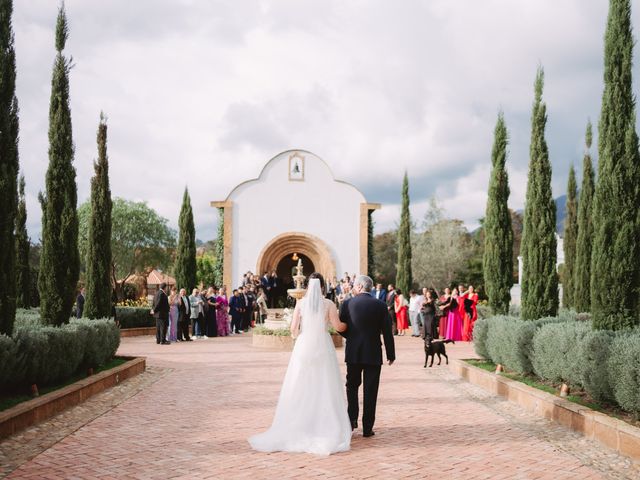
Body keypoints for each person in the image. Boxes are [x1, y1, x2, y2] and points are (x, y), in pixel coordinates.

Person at [249, 273, 350, 455]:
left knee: (300, 384)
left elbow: (293, 328)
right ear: (321, 287)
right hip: (322, 344)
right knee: (324, 384)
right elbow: (337, 326)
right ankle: (323, 424)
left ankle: (299, 423)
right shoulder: (328, 304)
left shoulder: (301, 304)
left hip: (304, 346)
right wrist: (348, 325)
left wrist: (298, 337)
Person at [340, 275, 395, 438]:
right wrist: (391, 354)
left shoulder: (347, 303)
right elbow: (387, 331)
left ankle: (351, 421)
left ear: (358, 287)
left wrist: (351, 338)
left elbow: (341, 327)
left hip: (353, 352)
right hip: (373, 353)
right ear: (370, 288)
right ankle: (367, 427)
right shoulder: (380, 305)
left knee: (352, 386)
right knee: (371, 391)